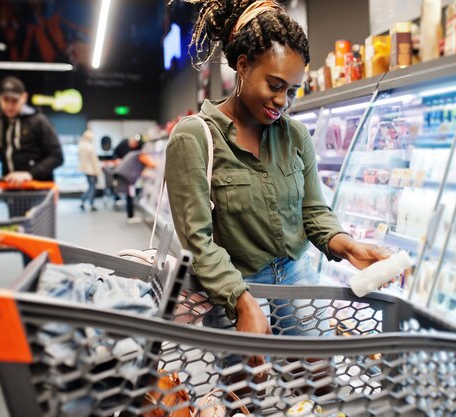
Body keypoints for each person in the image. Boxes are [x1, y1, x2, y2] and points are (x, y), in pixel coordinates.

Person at [165, 0, 391, 350]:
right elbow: (199, 242)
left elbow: (314, 212)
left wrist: (348, 247)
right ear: (243, 66)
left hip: (295, 272)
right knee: (247, 389)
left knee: (320, 370)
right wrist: (241, 301)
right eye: (274, 85)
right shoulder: (194, 137)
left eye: (292, 91)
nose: (282, 100)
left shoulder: (296, 136)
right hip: (234, 281)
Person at [0, 76, 63, 187]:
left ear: (24, 97)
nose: (10, 105)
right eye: (6, 100)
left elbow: (57, 156)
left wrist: (29, 174)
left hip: (39, 191)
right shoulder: (0, 125)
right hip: (11, 191)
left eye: (14, 100)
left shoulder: (39, 121)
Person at [78, 129, 101, 211]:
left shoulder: (81, 145)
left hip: (85, 169)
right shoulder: (90, 147)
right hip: (91, 170)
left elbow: (79, 158)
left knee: (90, 186)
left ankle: (83, 200)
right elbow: (94, 161)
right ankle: (90, 203)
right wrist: (97, 171)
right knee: (92, 187)